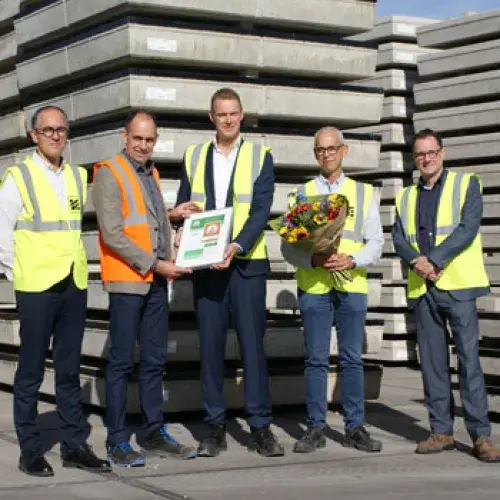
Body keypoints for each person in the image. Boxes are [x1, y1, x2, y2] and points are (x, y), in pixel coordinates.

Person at [0, 106, 111, 477]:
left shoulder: (77, 177)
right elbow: (2, 231)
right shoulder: (19, 176)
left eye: (61, 129)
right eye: (47, 130)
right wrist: (18, 272)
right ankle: (30, 450)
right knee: (31, 370)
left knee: (68, 369)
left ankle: (74, 445)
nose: (55, 135)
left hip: (72, 282)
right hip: (36, 286)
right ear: (34, 135)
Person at [174, 87, 284, 457]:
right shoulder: (193, 155)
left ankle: (260, 427)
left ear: (242, 115)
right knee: (210, 348)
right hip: (207, 266)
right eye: (221, 114)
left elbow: (261, 210)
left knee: (253, 347)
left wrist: (235, 246)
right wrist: (181, 231)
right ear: (211, 117)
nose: (228, 119)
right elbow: (185, 205)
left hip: (246, 263)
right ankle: (214, 427)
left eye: (233, 113)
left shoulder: (260, 155)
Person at [92, 110, 198, 467]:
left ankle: (153, 431)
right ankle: (117, 440)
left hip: (154, 282)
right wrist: (157, 263)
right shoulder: (109, 172)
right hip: (128, 281)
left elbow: (147, 219)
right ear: (125, 137)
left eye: (149, 139)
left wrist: (172, 219)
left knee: (154, 361)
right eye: (137, 138)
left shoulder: (150, 172)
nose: (142, 144)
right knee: (121, 363)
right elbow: (113, 233)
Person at [392, 128, 500, 462]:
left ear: (442, 153)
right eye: (420, 154)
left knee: (469, 362)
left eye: (431, 152)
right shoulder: (405, 196)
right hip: (424, 289)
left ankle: (480, 436)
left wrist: (434, 260)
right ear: (415, 159)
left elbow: (468, 228)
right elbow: (398, 238)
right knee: (433, 365)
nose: (426, 159)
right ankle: (441, 431)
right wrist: (419, 263)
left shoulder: (466, 184)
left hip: (458, 287)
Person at [281, 126, 383, 454]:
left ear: (344, 151)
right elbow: (288, 247)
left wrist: (352, 259)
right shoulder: (302, 194)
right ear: (315, 154)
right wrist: (312, 259)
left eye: (331, 148)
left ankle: (355, 428)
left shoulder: (363, 193)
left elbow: (376, 243)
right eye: (320, 150)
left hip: (351, 283)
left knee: (352, 359)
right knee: (316, 360)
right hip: (314, 285)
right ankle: (315, 428)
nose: (326, 154)